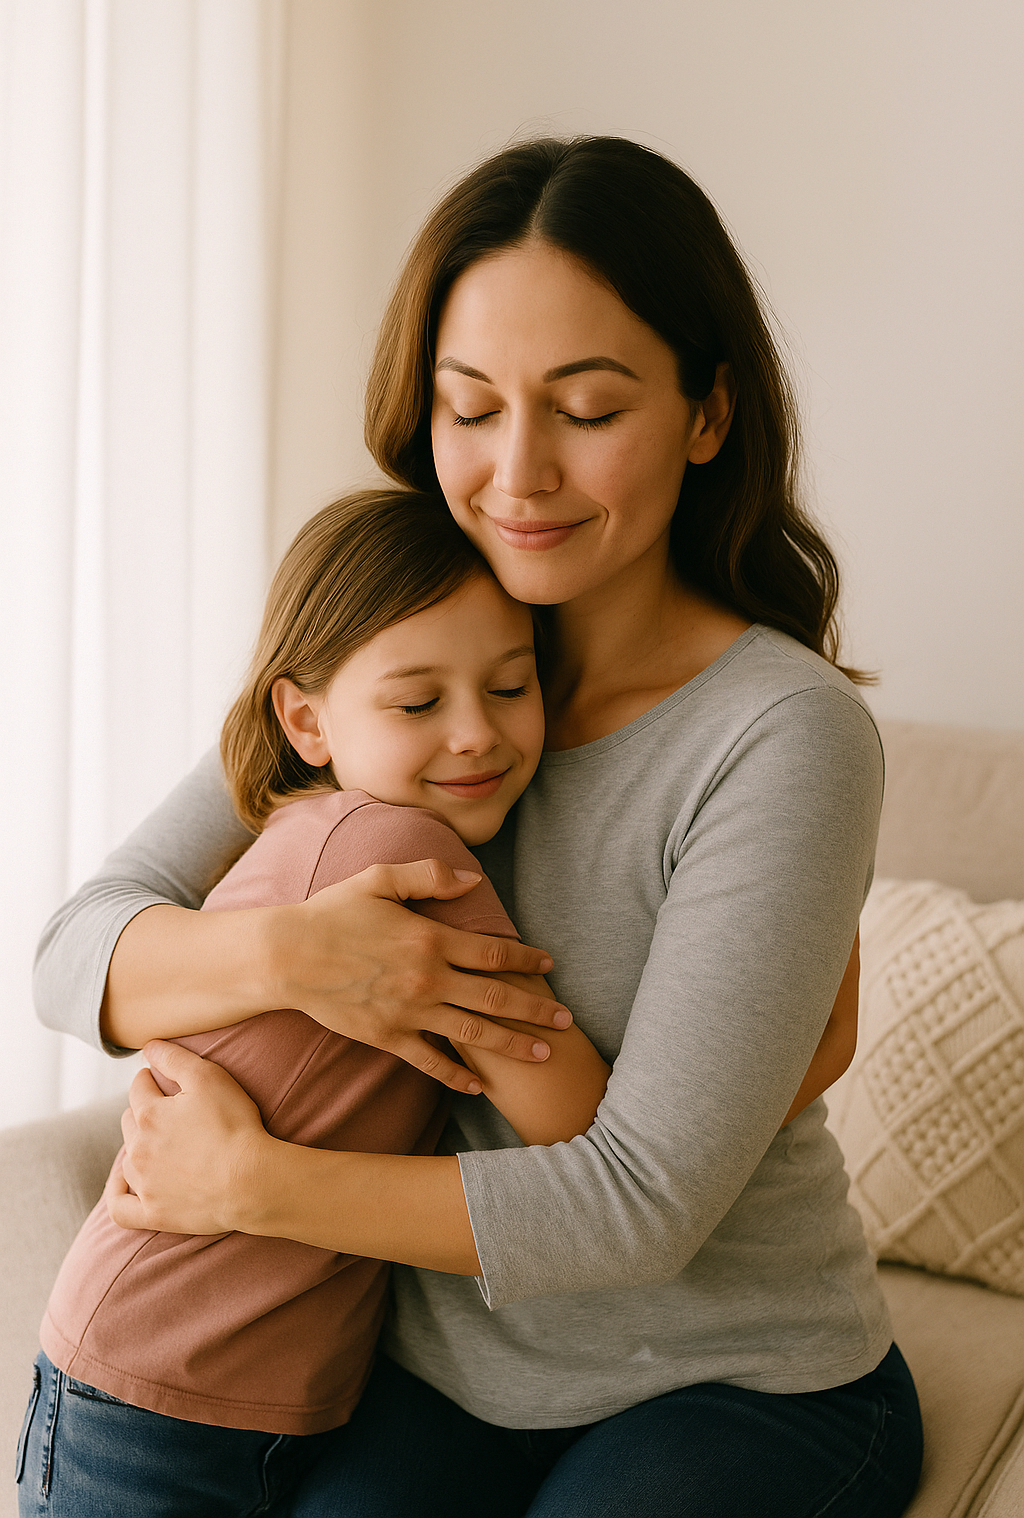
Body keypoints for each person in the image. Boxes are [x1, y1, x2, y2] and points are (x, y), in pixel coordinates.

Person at [31, 136, 923, 1517]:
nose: (519, 470)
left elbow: (638, 1205)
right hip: (445, 1369)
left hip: (734, 1376)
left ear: (706, 411)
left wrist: (253, 1184)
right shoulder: (399, 657)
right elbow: (76, 951)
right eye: (471, 406)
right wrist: (297, 962)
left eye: (585, 407)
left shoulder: (780, 735)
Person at [19, 489, 614, 1515]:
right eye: (418, 703)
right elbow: (576, 1115)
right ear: (304, 719)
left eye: (511, 686)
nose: (475, 734)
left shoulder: (317, 831)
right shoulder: (406, 854)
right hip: (159, 1391)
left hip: (241, 1387)